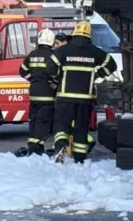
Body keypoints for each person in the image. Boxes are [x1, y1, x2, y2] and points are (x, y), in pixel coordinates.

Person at [50, 20, 116, 163]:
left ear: (74, 33)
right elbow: (112, 65)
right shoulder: (95, 52)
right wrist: (98, 75)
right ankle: (80, 158)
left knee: (62, 124)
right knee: (81, 128)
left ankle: (61, 145)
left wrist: (58, 78)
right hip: (85, 99)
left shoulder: (63, 50)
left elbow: (51, 67)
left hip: (65, 97)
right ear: (89, 35)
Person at [14, 28, 60, 157]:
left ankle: (32, 146)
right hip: (47, 95)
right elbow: (58, 73)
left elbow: (22, 71)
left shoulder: (32, 55)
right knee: (43, 122)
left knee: (33, 120)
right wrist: (54, 83)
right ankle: (37, 149)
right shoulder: (53, 56)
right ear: (51, 41)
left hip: (34, 94)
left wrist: (33, 79)